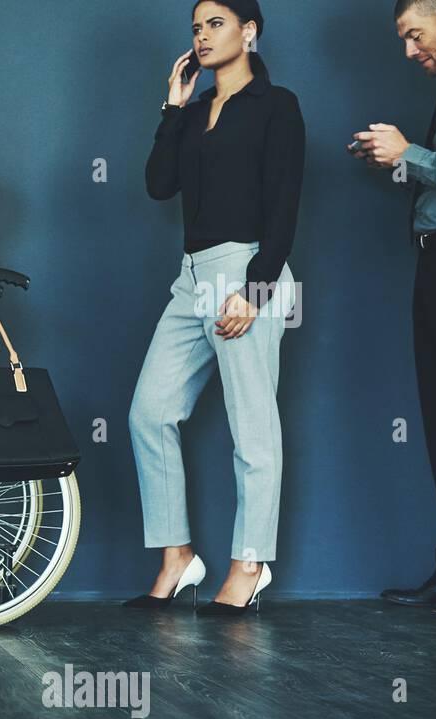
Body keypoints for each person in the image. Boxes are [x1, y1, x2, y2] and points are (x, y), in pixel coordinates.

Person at [126, 0, 304, 615]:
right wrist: (172, 108)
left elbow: (285, 205)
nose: (202, 36)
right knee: (149, 413)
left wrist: (255, 289)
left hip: (249, 270)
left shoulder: (277, 106)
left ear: (249, 31)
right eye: (196, 28)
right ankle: (178, 558)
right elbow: (158, 184)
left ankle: (248, 565)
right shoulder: (197, 109)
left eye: (216, 24)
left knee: (252, 426)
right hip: (192, 276)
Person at [359, 0, 436, 617]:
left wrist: (410, 155)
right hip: (435, 262)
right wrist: (397, 162)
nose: (409, 51)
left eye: (415, 34)